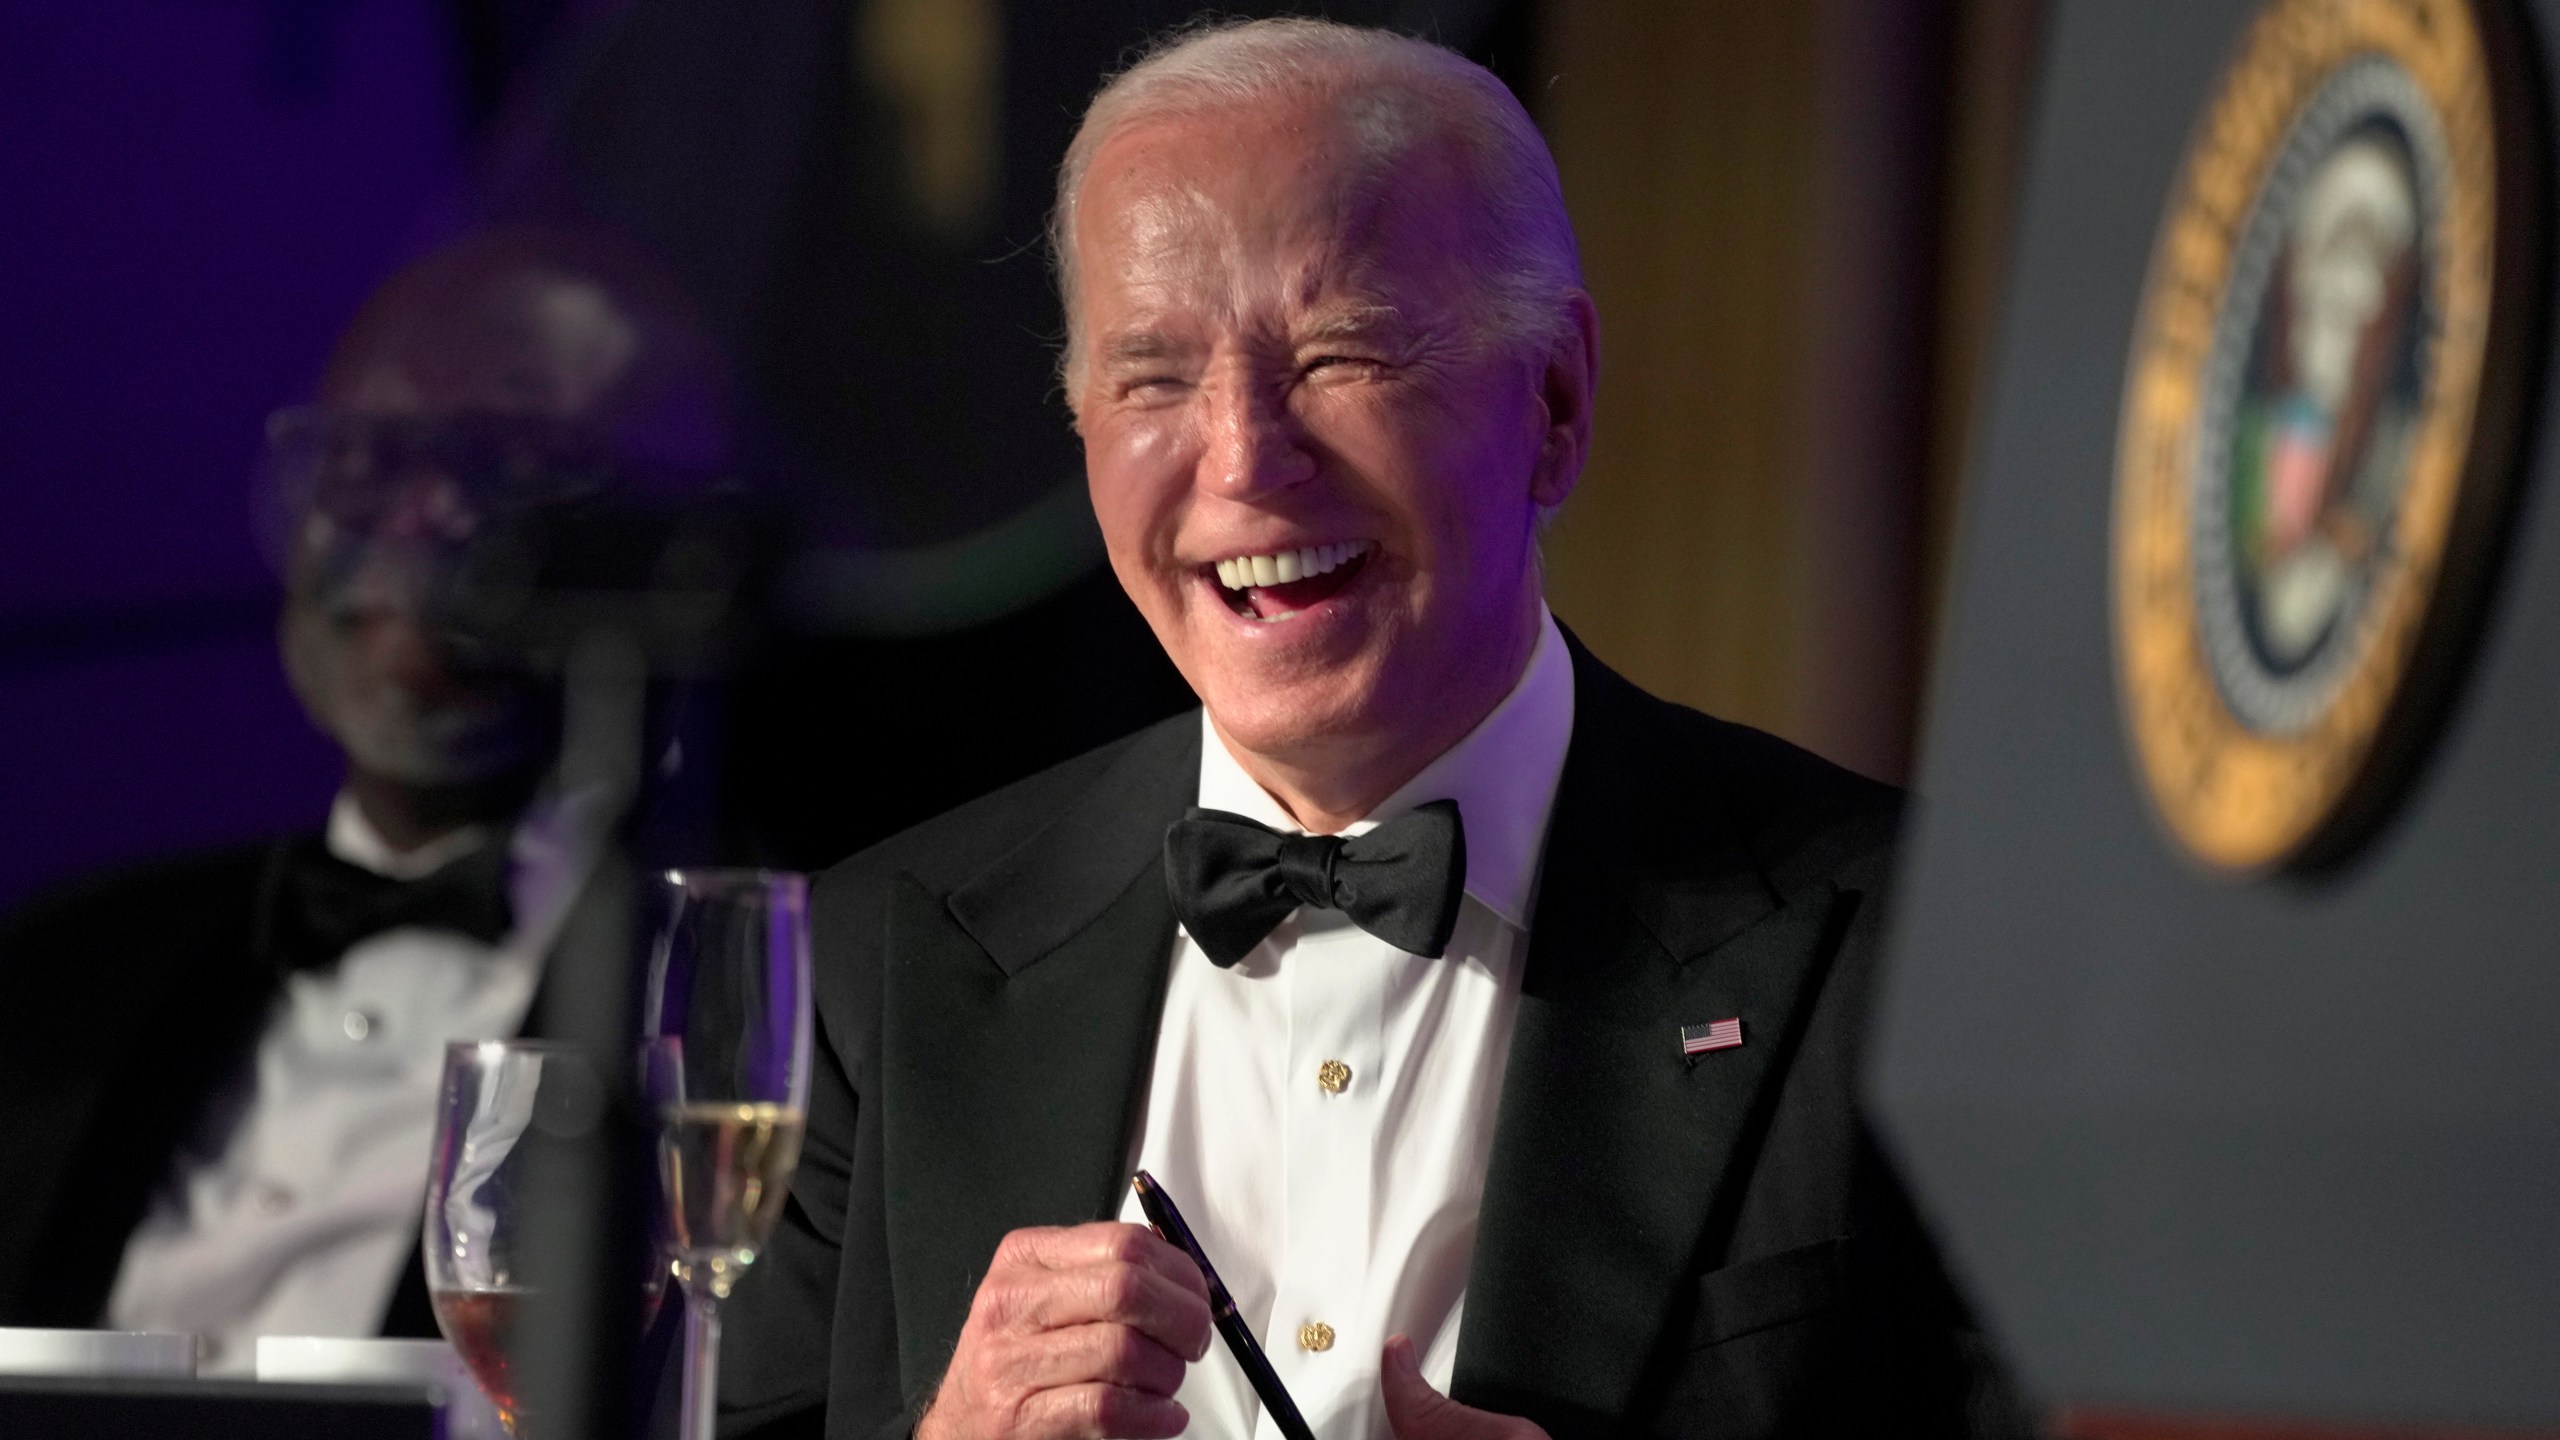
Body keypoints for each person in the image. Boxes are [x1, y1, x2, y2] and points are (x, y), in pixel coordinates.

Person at [720, 19, 2007, 1440]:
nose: (1244, 462)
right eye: (1154, 378)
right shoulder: (872, 965)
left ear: (1556, 403)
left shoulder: (1918, 945)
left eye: (1341, 355)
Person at [0, 226, 726, 1372]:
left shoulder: (759, 1010)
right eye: (368, 463)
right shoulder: (56, 968)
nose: (421, 527)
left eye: (518, 471)